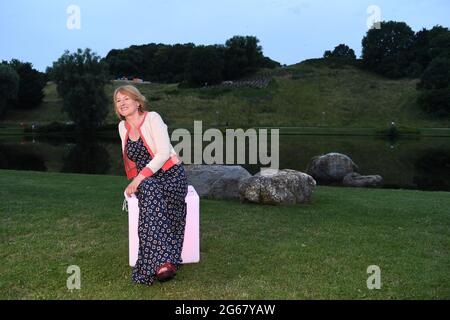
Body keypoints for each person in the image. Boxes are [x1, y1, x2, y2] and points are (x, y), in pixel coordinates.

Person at [114, 85, 188, 285]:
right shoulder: (123, 128)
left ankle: (157, 263)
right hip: (149, 179)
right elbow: (131, 160)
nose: (121, 103)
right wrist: (137, 180)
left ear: (138, 102)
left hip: (171, 175)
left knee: (149, 196)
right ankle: (163, 263)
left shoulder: (153, 118)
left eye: (126, 99)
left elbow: (163, 153)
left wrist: (138, 180)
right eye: (118, 101)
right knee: (149, 193)